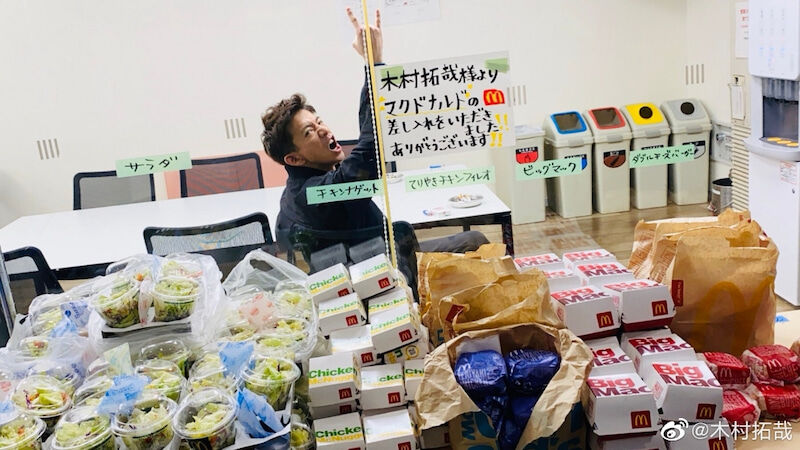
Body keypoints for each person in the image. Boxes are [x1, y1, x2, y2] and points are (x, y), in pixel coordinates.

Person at [260, 8, 489, 260]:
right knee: (476, 242)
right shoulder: (316, 194)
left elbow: (366, 144)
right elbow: (370, 150)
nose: (323, 130)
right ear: (294, 158)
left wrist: (373, 67)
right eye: (309, 132)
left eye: (319, 121)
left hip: (370, 261)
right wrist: (374, 64)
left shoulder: (301, 188)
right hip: (386, 270)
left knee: (473, 240)